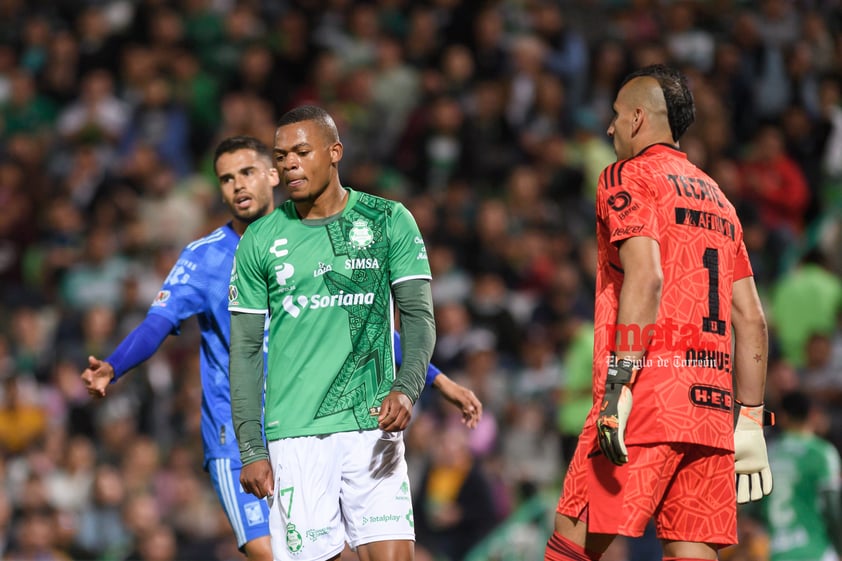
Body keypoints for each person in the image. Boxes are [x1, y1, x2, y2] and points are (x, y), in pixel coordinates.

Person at [81, 135, 479, 561]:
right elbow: (157, 323)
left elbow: (358, 328)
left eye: (248, 172)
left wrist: (436, 380)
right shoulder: (205, 258)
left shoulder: (310, 241)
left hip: (310, 429)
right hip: (236, 438)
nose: (238, 186)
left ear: (273, 174)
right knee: (271, 555)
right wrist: (114, 366)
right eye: (226, 179)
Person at [543, 64, 773, 561]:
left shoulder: (626, 176)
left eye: (615, 116)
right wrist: (750, 419)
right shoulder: (720, 198)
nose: (608, 128)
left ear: (637, 120)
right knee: (691, 549)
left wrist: (618, 386)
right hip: (712, 409)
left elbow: (646, 278)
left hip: (646, 395)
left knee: (573, 535)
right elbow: (751, 318)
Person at [227, 105, 435, 561]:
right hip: (295, 435)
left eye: (302, 151)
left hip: (372, 427)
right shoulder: (259, 240)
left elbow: (418, 318)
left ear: (334, 151)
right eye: (281, 156)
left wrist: (406, 387)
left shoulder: (388, 220)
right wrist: (250, 447)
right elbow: (244, 350)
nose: (290, 164)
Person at [746, 390, 842, 561]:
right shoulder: (822, 454)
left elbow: (753, 509)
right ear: (812, 414)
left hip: (777, 553)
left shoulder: (768, 453)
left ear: (782, 417)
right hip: (816, 551)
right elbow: (833, 508)